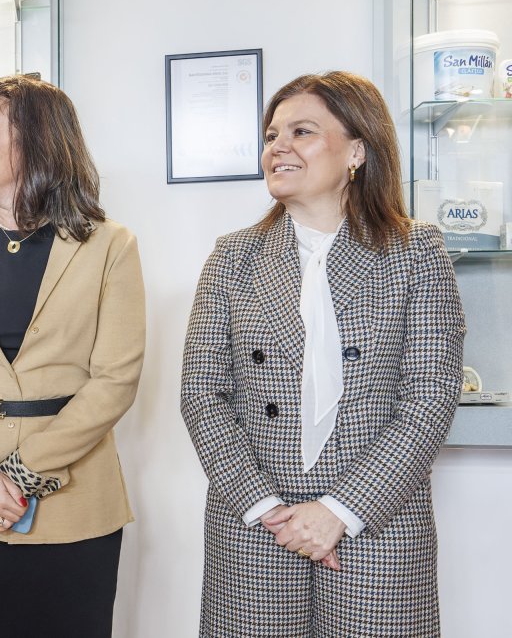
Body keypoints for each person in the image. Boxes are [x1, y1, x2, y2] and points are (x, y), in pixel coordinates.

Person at [181, 71, 466, 636]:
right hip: (257, 525)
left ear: (357, 149)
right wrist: (266, 508)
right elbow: (201, 396)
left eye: (301, 131)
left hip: (378, 521)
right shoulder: (232, 257)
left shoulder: (416, 253)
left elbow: (430, 397)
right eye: (271, 135)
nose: (277, 147)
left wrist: (340, 510)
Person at [0, 75, 146, 638]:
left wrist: (15, 476)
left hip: (76, 505)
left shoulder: (111, 244)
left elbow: (116, 379)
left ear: (34, 142)